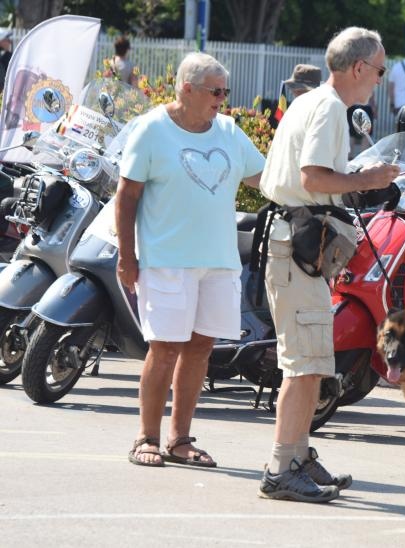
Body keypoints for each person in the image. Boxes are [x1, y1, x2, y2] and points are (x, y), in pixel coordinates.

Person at [257, 26, 399, 502]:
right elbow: (313, 176)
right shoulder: (332, 108)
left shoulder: (309, 100)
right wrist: (369, 178)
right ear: (359, 67)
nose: (379, 79)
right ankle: (282, 468)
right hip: (299, 243)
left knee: (311, 361)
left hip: (295, 241)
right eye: (379, 70)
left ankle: (296, 455)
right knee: (304, 365)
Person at [116, 52, 265, 468]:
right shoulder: (152, 130)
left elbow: (265, 178)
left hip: (218, 262)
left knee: (200, 349)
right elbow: (126, 197)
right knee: (164, 349)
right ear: (187, 88)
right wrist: (127, 258)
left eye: (226, 91)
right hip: (166, 261)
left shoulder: (231, 133)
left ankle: (179, 439)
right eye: (216, 91)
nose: (223, 99)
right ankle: (145, 437)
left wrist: (314, 180)